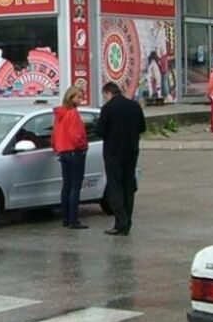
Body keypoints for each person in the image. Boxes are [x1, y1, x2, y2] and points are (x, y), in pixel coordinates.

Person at [97, 81, 146, 236]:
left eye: (104, 96)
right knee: (128, 186)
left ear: (108, 93)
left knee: (115, 187)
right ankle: (127, 221)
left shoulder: (108, 109)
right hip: (131, 151)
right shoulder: (134, 106)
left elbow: (100, 131)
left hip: (113, 153)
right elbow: (142, 127)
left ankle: (121, 222)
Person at [52, 86, 89, 229]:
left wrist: (57, 148)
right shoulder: (73, 114)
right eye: (78, 97)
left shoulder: (60, 114)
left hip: (63, 151)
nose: (80, 100)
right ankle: (74, 220)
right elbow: (76, 135)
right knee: (75, 186)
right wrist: (83, 146)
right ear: (71, 97)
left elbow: (55, 134)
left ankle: (65, 218)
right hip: (75, 151)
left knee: (66, 185)